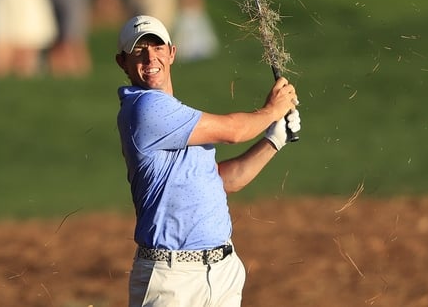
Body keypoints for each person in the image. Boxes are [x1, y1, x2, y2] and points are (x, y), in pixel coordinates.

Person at [113, 15, 301, 306]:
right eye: (139, 51)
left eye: (157, 47)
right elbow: (234, 132)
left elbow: (223, 181)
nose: (150, 57)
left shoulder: (177, 117)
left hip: (222, 272)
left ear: (171, 53)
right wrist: (272, 110)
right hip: (172, 280)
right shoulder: (144, 108)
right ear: (122, 62)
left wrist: (274, 140)